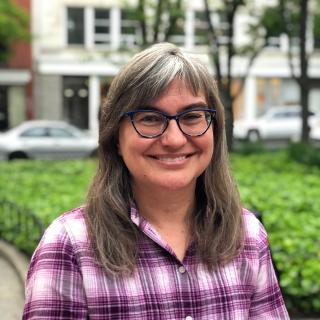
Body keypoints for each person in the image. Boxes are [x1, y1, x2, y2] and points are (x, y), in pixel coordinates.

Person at [23, 43, 289, 319]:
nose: (174, 140)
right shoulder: (70, 245)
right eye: (149, 118)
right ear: (115, 136)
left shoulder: (247, 236)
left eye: (192, 117)